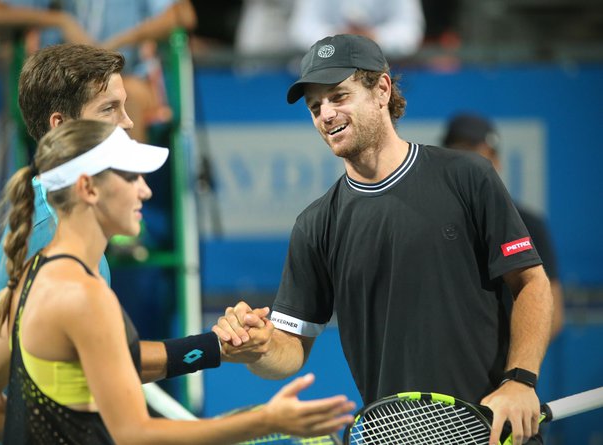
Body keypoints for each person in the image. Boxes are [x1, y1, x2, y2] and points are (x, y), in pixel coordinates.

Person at [212, 34, 553, 445]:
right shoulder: (315, 225)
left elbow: (532, 284)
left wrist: (520, 380)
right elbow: (289, 350)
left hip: (494, 432)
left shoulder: (468, 176)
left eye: (339, 96)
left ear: (382, 90)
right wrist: (258, 347)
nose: (326, 115)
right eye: (315, 106)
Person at [0, 119, 354, 443]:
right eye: (131, 177)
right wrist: (266, 420)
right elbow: (135, 433)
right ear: (88, 188)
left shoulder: (34, 278)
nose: (145, 190)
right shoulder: (84, 297)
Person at [0, 42, 257, 445]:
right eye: (109, 109)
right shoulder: (46, 228)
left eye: (125, 106)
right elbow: (5, 363)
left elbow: (101, 360)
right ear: (62, 126)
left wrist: (213, 348)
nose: (128, 122)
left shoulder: (70, 225)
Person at [0, 0, 198, 142]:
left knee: (122, 96)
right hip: (69, 83)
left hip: (128, 76)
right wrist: (61, 21)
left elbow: (184, 15)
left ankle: (125, 192)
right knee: (69, 103)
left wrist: (121, 42)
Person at [442, 112, 564, 339]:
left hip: (509, 367)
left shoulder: (529, 224)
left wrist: (518, 365)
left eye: (473, 152)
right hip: (448, 365)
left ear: (496, 160)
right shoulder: (431, 223)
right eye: (456, 152)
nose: (466, 162)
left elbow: (553, 312)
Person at [287, 0, 425, 59]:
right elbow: (301, 30)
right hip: (327, 69)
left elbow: (410, 32)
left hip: (388, 70)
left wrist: (373, 37)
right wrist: (338, 36)